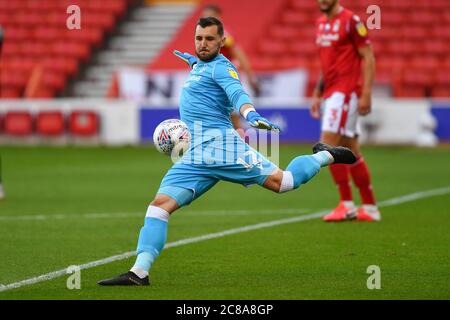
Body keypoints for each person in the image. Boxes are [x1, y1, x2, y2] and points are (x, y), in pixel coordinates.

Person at [98, 17, 356, 286]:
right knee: (158, 207)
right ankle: (139, 272)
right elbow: (199, 65)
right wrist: (191, 60)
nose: (203, 44)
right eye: (199, 38)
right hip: (195, 155)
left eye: (210, 39)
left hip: (222, 148)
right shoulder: (199, 65)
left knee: (285, 183)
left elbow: (237, 94)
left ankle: (325, 155)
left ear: (222, 41)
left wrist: (250, 114)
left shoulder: (222, 68)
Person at [311, 0, 380, 222]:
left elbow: (368, 56)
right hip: (332, 92)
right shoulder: (321, 23)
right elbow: (327, 63)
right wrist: (318, 91)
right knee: (351, 148)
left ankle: (346, 204)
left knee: (327, 145)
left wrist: (366, 92)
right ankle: (369, 207)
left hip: (345, 92)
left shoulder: (352, 21)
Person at [201, 4, 260, 134]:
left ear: (218, 17)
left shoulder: (223, 34)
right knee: (223, 118)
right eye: (204, 16)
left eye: (210, 16)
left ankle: (242, 148)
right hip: (214, 80)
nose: (206, 19)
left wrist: (250, 77)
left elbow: (238, 53)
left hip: (224, 80)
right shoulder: (206, 36)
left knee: (232, 118)